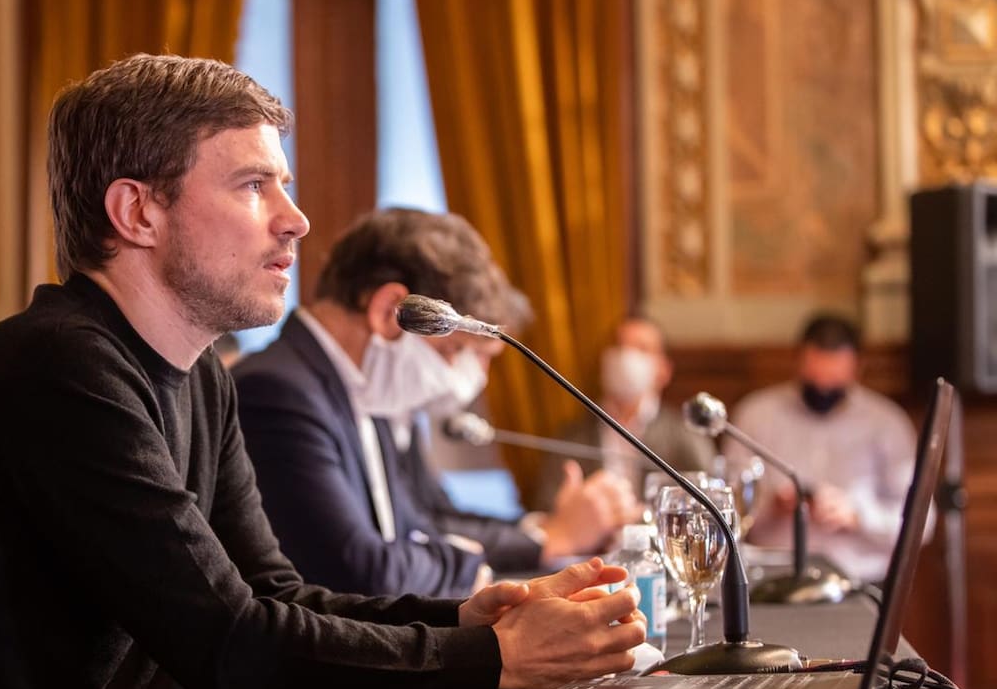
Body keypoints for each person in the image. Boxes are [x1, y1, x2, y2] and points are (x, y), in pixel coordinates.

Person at [0, 55, 645, 689]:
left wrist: (473, 613)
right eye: (254, 185)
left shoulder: (201, 376)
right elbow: (231, 645)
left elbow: (273, 593)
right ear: (137, 213)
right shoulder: (56, 368)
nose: (297, 218)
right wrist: (496, 658)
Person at [232, 208, 633, 598]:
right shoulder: (278, 391)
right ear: (391, 311)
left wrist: (540, 534)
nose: (471, 377)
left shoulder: (365, 387)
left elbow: (424, 526)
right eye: (455, 348)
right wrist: (509, 552)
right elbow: (363, 571)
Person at [727, 314, 927, 583]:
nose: (823, 389)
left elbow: (923, 524)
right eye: (814, 381)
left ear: (857, 368)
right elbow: (726, 508)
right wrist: (771, 506)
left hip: (860, 580)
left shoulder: (887, 423)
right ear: (798, 362)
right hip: (774, 579)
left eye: (833, 382)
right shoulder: (756, 415)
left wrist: (857, 515)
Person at [534, 315, 716, 509]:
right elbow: (545, 509)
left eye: (642, 349)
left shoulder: (686, 435)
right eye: (620, 346)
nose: (626, 356)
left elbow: (711, 504)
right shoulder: (571, 436)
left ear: (664, 370)